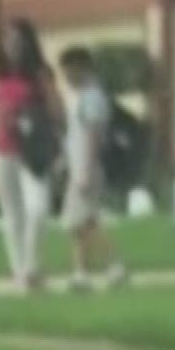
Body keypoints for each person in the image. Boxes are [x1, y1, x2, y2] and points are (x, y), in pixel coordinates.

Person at [0, 18, 65, 293]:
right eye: (7, 41)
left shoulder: (40, 74)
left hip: (34, 150)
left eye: (18, 41)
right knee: (11, 213)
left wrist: (57, 147)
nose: (12, 46)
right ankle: (20, 271)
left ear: (29, 44)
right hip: (2, 149)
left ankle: (32, 265)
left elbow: (57, 112)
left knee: (38, 209)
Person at [56, 47, 130, 292]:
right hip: (78, 165)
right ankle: (81, 273)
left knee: (84, 222)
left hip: (87, 167)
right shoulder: (78, 97)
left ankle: (114, 263)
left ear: (82, 68)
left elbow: (93, 135)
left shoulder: (92, 98)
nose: (66, 76)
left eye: (69, 71)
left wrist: (85, 169)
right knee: (80, 223)